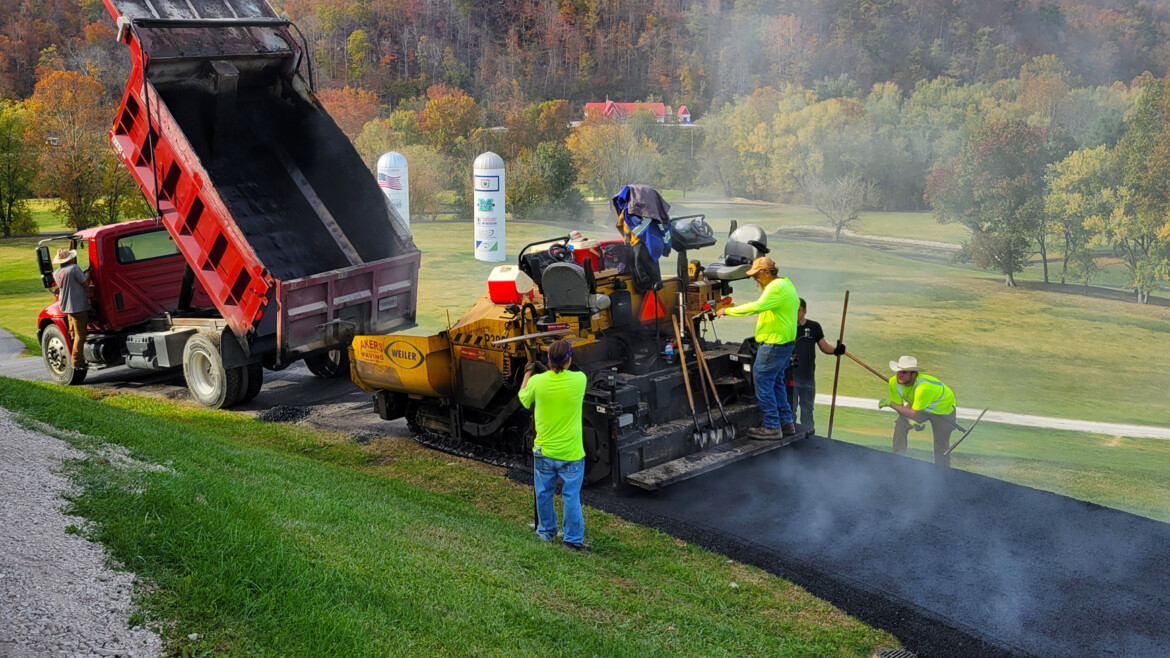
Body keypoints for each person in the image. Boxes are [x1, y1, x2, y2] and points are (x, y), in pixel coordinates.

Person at [715, 256, 800, 439]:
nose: (754, 278)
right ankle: (786, 423)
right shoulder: (785, 284)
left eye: (756, 274)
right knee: (776, 382)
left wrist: (727, 310)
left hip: (773, 345)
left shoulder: (775, 288)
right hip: (784, 345)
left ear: (767, 272)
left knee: (762, 381)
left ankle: (771, 426)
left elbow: (756, 307)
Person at [518, 339, 589, 550]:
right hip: (571, 453)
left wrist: (527, 372)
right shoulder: (580, 380)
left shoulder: (537, 382)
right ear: (569, 360)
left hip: (544, 451)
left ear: (548, 360)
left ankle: (546, 532)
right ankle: (573, 540)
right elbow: (570, 371)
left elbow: (523, 398)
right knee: (571, 496)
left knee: (543, 493)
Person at [880, 355, 958, 467]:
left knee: (941, 446)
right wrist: (910, 421)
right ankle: (896, 460)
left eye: (904, 372)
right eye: (898, 371)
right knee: (901, 423)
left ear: (914, 374)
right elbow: (901, 409)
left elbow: (912, 413)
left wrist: (890, 404)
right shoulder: (894, 382)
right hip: (920, 405)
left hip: (943, 410)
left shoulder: (923, 388)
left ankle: (943, 474)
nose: (899, 375)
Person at [792, 298, 846, 434]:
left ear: (804, 311)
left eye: (797, 310)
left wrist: (836, 350)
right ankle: (791, 439)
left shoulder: (814, 327)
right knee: (790, 410)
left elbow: (824, 346)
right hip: (791, 378)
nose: (794, 313)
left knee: (808, 411)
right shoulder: (787, 327)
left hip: (808, 378)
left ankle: (809, 437)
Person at [52, 248, 89, 370]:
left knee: (73, 333)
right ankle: (77, 361)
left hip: (66, 306)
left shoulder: (56, 273)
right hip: (78, 306)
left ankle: (76, 357)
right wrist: (88, 275)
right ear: (70, 258)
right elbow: (85, 283)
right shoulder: (74, 268)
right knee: (80, 334)